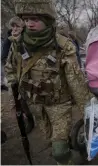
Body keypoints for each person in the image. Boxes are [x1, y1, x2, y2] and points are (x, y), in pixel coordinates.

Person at [5, 0, 92, 164]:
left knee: (59, 151)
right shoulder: (17, 44)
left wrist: (88, 110)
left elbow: (76, 82)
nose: (29, 24)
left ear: (47, 20)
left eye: (35, 19)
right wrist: (14, 93)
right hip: (35, 105)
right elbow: (10, 69)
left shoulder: (63, 46)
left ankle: (77, 160)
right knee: (52, 141)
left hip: (59, 105)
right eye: (26, 19)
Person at [1, 17, 24, 91]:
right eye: (13, 26)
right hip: (14, 77)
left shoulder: (27, 41)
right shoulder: (9, 40)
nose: (15, 29)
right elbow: (4, 58)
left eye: (17, 26)